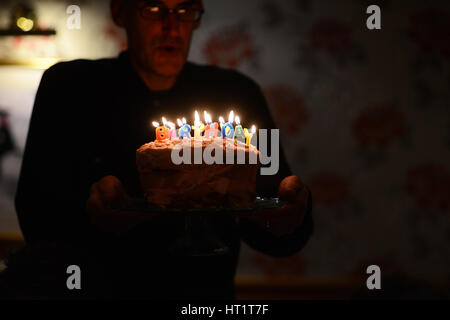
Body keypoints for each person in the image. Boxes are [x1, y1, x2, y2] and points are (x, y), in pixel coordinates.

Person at [8, 0, 313, 299]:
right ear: (119, 11)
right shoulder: (69, 87)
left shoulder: (240, 94)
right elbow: (37, 219)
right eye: (153, 8)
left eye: (185, 9)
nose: (172, 25)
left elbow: (281, 221)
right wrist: (96, 220)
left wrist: (284, 217)